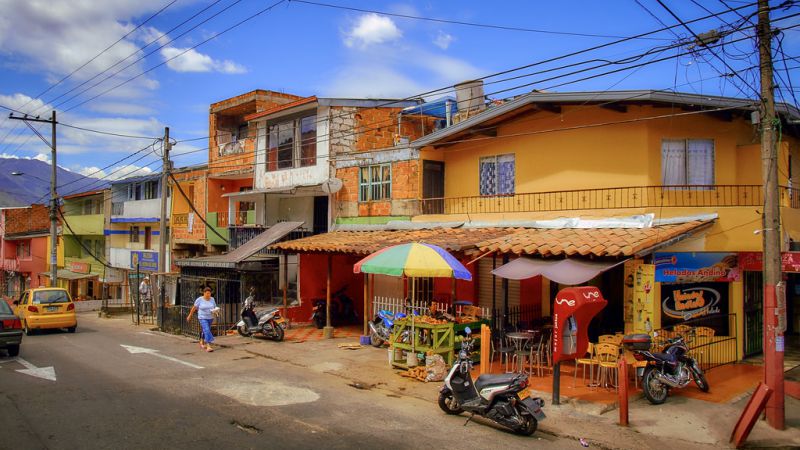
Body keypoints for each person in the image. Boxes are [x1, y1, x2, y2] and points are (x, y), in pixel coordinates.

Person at [187, 287, 218, 352]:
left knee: (206, 330)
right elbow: (194, 308)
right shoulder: (200, 299)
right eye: (207, 293)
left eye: (209, 293)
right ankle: (208, 345)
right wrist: (190, 315)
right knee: (207, 329)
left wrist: (216, 311)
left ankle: (201, 341)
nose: (208, 295)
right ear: (204, 293)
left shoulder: (212, 299)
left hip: (210, 317)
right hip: (202, 317)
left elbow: (214, 307)